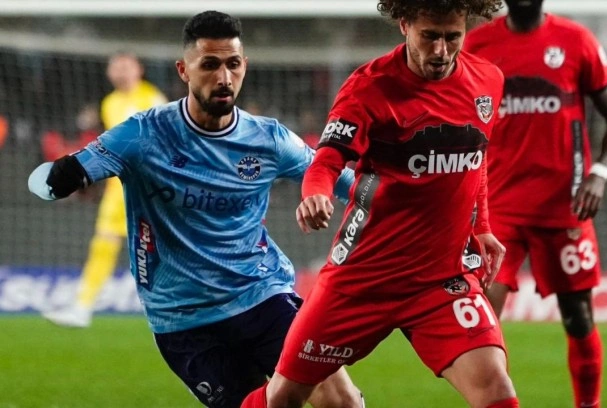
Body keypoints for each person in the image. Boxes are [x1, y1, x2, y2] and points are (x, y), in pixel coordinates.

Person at [29, 11, 363, 408]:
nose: (223, 78)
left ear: (244, 66)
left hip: (261, 295)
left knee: (343, 401)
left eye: (233, 64)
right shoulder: (142, 134)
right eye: (209, 65)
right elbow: (48, 181)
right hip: (183, 319)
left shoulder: (269, 139)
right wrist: (60, 178)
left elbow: (351, 184)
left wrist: (404, 202)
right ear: (183, 70)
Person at [242, 1, 519, 407]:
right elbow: (327, 160)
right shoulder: (369, 88)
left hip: (441, 280)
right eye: (429, 36)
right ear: (404, 25)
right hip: (363, 278)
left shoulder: (487, 80)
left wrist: (483, 227)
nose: (441, 50)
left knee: (497, 390)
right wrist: (315, 193)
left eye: (452, 37)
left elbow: (475, 160)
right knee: (283, 397)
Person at [464, 1, 607, 407]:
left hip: (563, 206)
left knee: (578, 317)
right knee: (482, 324)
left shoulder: (576, 41)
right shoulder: (477, 45)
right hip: (498, 208)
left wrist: (599, 173)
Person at [42, 52, 167, 328]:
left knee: (161, 250)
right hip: (117, 190)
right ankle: (82, 307)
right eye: (116, 67)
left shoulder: (153, 99)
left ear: (139, 69)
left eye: (126, 66)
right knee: (103, 244)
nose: (121, 71)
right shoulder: (109, 102)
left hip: (149, 188)